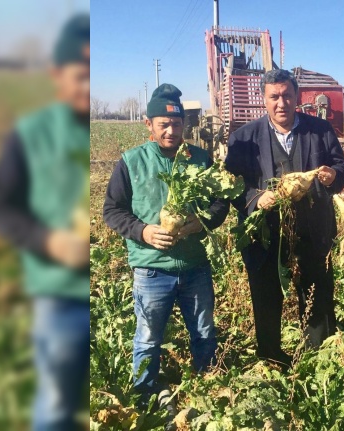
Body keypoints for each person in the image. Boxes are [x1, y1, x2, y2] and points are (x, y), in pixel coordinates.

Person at [0, 13, 90, 431]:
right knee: (56, 408)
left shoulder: (132, 152)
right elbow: (0, 209)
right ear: (56, 74)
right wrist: (48, 241)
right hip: (59, 293)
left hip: (115, 286)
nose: (88, 87)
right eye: (81, 75)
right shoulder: (32, 134)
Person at [102, 84, 229, 406]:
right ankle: (145, 397)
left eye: (177, 124)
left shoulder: (200, 158)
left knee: (203, 332)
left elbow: (220, 204)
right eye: (164, 125)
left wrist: (201, 222)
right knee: (148, 338)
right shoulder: (132, 161)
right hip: (151, 269)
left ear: (185, 124)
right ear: (149, 125)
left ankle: (208, 391)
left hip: (195, 265)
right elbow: (112, 211)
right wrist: (143, 232)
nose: (171, 131)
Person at [225, 69, 344, 367]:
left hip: (312, 229)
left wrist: (334, 175)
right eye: (274, 97)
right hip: (265, 234)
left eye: (287, 96)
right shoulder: (244, 138)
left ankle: (318, 356)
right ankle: (271, 356)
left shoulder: (320, 130)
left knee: (317, 293)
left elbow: (340, 166)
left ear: (296, 97)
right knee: (267, 295)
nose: (281, 103)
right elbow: (230, 185)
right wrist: (256, 198)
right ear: (264, 99)